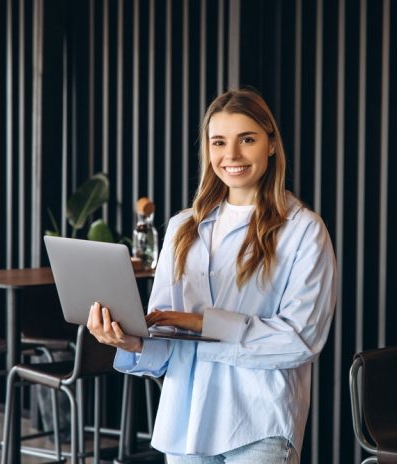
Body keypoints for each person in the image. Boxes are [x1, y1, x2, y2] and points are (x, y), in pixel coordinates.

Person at [87, 88, 337, 463]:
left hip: (259, 423)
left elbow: (301, 340)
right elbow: (167, 338)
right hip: (185, 424)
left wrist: (205, 324)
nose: (231, 155)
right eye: (219, 142)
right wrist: (131, 342)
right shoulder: (182, 227)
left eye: (247, 139)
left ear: (271, 144)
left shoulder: (303, 230)